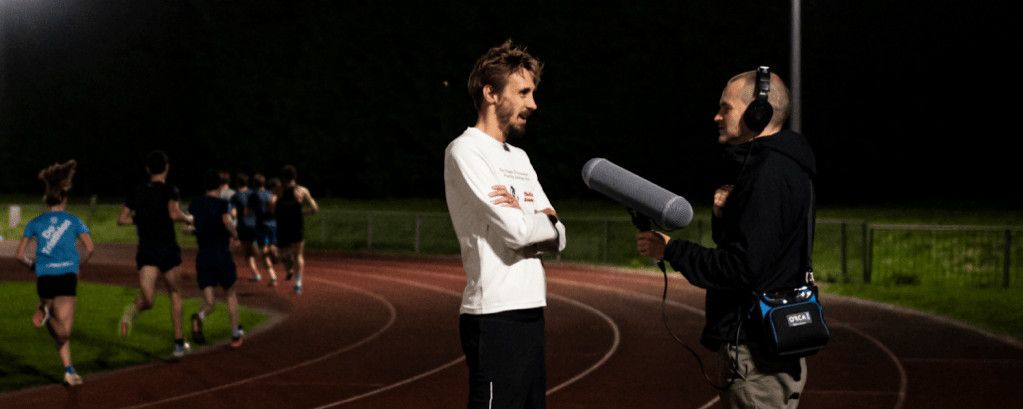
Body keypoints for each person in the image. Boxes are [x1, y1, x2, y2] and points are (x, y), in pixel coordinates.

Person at [636, 68, 815, 409]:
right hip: (771, 337)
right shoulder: (788, 165)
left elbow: (742, 269)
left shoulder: (767, 174)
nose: (716, 116)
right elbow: (765, 249)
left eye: (726, 108)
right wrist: (726, 218)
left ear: (756, 113)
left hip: (755, 347)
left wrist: (672, 250)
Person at [444, 39, 566, 409]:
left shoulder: (521, 158)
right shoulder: (465, 150)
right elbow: (517, 232)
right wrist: (539, 223)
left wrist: (538, 223)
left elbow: (559, 234)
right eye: (524, 92)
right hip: (494, 316)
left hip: (531, 310)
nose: (533, 103)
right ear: (491, 93)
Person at [15, 160, 94, 386]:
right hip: (67, 277)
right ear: (65, 199)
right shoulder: (74, 220)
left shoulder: (35, 222)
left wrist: (33, 265)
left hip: (45, 278)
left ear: (46, 199)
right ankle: (47, 317)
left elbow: (19, 255)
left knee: (60, 334)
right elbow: (90, 249)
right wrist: (79, 267)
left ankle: (69, 370)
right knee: (64, 333)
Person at [117, 150, 194, 358]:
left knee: (148, 300)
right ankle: (179, 345)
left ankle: (134, 311)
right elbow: (173, 214)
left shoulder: (137, 190)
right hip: (167, 248)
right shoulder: (171, 189)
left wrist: (142, 219)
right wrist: (190, 219)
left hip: (147, 249)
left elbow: (122, 219)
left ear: (148, 169)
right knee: (175, 293)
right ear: (167, 168)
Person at [188, 169, 245, 348]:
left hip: (203, 256)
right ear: (220, 186)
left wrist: (198, 229)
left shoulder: (195, 204)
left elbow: (185, 227)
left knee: (209, 303)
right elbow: (227, 223)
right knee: (230, 294)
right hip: (221, 254)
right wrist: (236, 237)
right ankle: (236, 334)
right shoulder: (222, 204)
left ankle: (200, 317)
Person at [273, 165, 318, 295]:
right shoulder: (302, 191)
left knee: (281, 253)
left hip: (282, 227)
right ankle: (298, 284)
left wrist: (276, 214)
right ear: (295, 176)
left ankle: (291, 270)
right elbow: (315, 208)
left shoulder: (278, 190)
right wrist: (304, 212)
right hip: (297, 226)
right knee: (298, 255)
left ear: (283, 177)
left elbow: (271, 204)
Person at [230, 173, 266, 283]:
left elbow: (233, 213)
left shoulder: (235, 196)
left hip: (243, 227)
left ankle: (255, 273)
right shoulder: (253, 193)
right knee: (253, 250)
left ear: (237, 183)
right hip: (255, 226)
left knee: (247, 253)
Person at [248, 174, 280, 285]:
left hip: (260, 226)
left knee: (264, 252)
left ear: (254, 184)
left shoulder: (253, 195)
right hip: (272, 224)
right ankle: (276, 252)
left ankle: (273, 277)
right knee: (272, 246)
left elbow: (247, 212)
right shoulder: (271, 194)